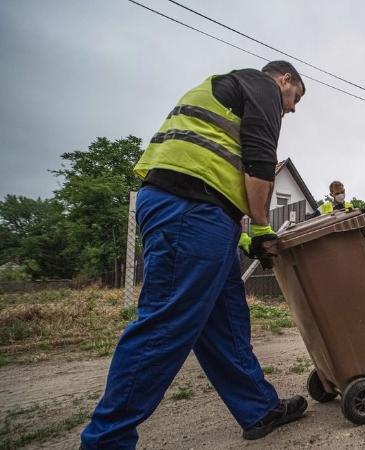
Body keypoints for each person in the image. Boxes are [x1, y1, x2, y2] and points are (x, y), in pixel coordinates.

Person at [80, 61, 307, 449]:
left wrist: (236, 236)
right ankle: (106, 441)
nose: (292, 108)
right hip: (188, 206)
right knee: (165, 324)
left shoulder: (229, 90)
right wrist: (262, 227)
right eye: (295, 97)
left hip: (198, 212)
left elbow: (221, 175)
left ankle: (258, 408)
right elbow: (258, 157)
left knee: (226, 325)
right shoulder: (263, 85)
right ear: (284, 79)